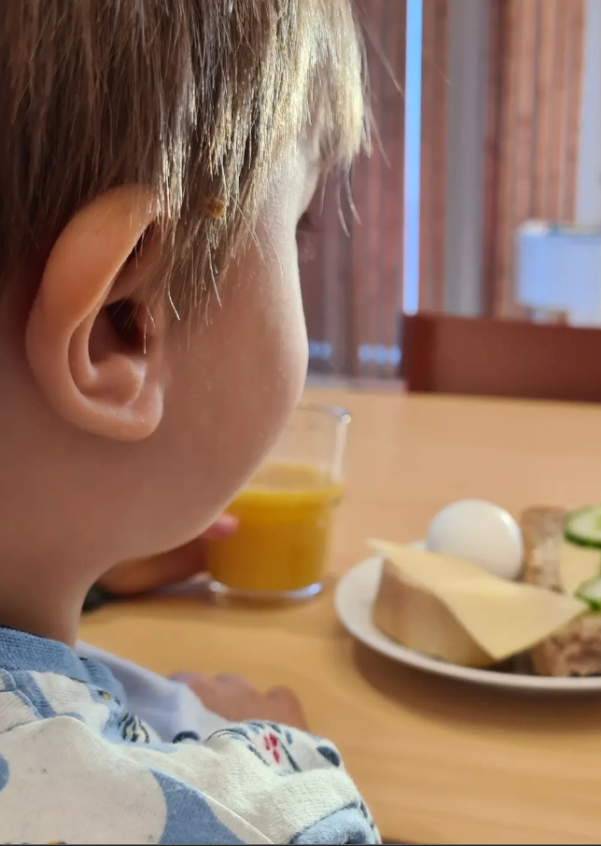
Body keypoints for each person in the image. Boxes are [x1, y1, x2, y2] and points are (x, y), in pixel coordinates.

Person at [0, 1, 378, 843]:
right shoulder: (263, 818)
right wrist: (267, 758)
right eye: (302, 226)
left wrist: (92, 579)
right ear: (125, 323)